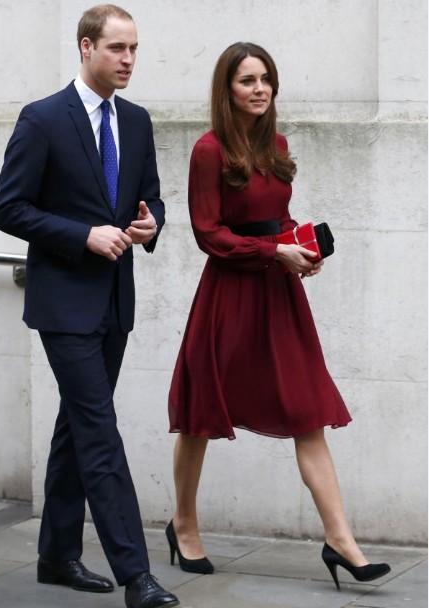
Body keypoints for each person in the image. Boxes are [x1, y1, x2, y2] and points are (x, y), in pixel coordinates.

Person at [166, 42, 391, 591]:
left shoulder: (278, 145)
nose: (260, 88)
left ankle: (341, 541)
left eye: (266, 78)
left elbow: (277, 217)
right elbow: (208, 233)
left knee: (306, 410)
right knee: (202, 414)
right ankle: (185, 525)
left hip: (278, 295)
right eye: (247, 80)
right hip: (229, 296)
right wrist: (273, 254)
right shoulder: (208, 150)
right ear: (228, 89)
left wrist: (299, 251)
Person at [0, 5, 178, 608]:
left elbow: (148, 197)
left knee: (77, 425)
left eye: (134, 50)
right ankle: (137, 576)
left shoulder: (138, 120)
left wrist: (152, 223)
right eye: (117, 48)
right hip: (63, 303)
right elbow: (9, 208)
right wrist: (82, 234)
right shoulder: (43, 119)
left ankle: (55, 555)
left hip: (114, 301)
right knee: (99, 430)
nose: (128, 60)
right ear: (86, 47)